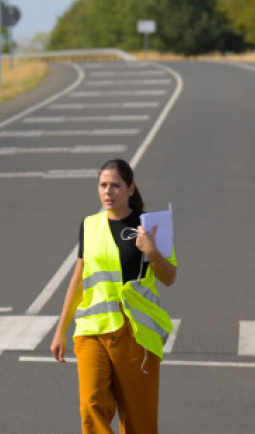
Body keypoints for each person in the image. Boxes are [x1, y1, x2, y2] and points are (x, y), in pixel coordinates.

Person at [51, 158, 177, 434]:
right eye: (103, 185)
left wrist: (152, 251)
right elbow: (78, 279)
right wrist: (60, 329)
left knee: (138, 420)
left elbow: (169, 277)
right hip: (92, 330)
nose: (108, 192)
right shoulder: (89, 225)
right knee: (91, 406)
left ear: (131, 189)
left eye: (116, 186)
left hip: (135, 333)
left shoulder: (153, 225)